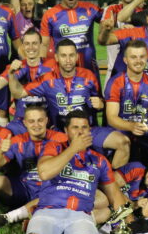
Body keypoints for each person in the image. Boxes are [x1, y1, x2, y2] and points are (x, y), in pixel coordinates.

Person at [7, 109, 128, 234]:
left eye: (84, 128)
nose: (80, 132)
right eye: (75, 128)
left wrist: (130, 220)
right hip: (48, 210)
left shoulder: (100, 160)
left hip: (80, 214)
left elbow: (114, 194)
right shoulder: (53, 148)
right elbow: (44, 172)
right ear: (66, 131)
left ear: (90, 131)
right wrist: (73, 149)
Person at [9, 39, 130, 169]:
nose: (68, 60)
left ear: (77, 56)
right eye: (63, 56)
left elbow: (101, 102)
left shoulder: (89, 76)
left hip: (87, 132)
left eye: (71, 55)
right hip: (61, 135)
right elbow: (18, 93)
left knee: (123, 142)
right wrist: (11, 75)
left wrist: (101, 105)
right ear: (56, 57)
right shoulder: (47, 79)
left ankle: (111, 181)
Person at [0, 105, 67, 232]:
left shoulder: (61, 139)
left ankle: (8, 217)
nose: (36, 125)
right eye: (31, 121)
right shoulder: (17, 140)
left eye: (40, 120)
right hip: (23, 188)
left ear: (47, 120)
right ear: (25, 123)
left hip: (50, 190)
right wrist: (1, 151)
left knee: (57, 195)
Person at [103, 40, 148, 165]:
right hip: (123, 129)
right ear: (125, 60)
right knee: (124, 142)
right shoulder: (116, 82)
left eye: (142, 56)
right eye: (133, 57)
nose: (138, 61)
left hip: (146, 130)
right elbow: (111, 118)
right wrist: (131, 126)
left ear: (147, 58)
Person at [0, 29, 53, 135]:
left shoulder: (52, 66)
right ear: (22, 46)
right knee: (2, 137)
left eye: (34, 43)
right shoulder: (16, 66)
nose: (30, 47)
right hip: (21, 123)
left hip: (45, 122)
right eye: (27, 44)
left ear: (41, 45)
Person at [40, 0, 102, 77]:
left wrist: (124, 25)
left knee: (94, 94)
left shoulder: (91, 9)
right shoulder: (50, 15)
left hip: (89, 68)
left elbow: (110, 21)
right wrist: (41, 69)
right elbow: (44, 45)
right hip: (62, 71)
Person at [97, 3, 148, 79]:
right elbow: (104, 41)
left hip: (146, 89)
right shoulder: (132, 32)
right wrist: (106, 31)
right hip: (120, 86)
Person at [100, 0, 143, 84]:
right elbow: (102, 34)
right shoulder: (111, 9)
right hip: (113, 72)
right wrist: (122, 31)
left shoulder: (144, 13)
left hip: (139, 74)